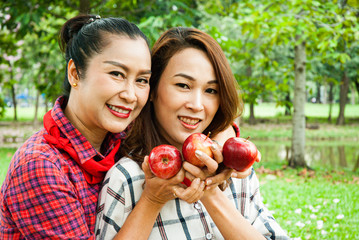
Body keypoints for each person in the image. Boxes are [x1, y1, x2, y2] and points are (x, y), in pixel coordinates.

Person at [95, 27, 289, 239]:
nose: (197, 105)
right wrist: (151, 201)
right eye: (183, 85)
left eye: (211, 91)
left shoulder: (236, 174)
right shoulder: (128, 179)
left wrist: (210, 192)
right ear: (152, 89)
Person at [0, 14, 152, 239]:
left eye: (141, 80)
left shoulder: (121, 139)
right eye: (117, 74)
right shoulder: (41, 167)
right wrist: (152, 200)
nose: (131, 95)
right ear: (75, 73)